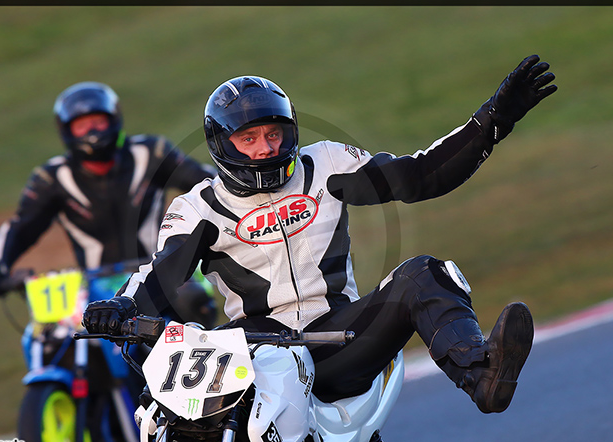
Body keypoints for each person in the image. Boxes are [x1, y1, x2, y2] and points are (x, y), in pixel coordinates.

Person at [82, 56, 557, 416]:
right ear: (221, 144)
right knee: (168, 412)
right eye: (248, 139)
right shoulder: (197, 207)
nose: (265, 150)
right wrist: (120, 306)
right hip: (252, 359)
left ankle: (482, 375)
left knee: (424, 274)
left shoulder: (327, 162)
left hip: (339, 340)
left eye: (274, 135)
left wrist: (491, 121)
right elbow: (157, 275)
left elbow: (420, 175)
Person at [0, 81, 217, 324]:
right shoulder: (51, 178)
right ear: (66, 131)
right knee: (48, 338)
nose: (92, 131)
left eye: (98, 121)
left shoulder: (152, 153)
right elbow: (22, 227)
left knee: (194, 304)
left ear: (114, 121)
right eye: (82, 125)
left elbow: (209, 185)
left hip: (162, 275)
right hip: (90, 290)